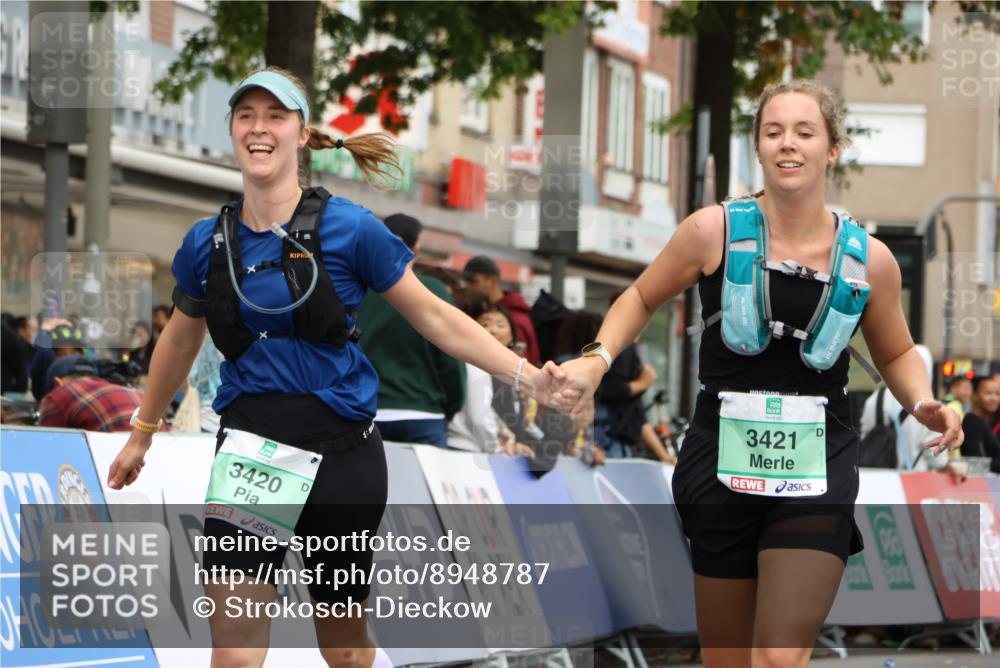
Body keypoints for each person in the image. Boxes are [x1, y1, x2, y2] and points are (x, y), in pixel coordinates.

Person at [106, 66, 566, 668]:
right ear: (233, 131)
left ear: (301, 133)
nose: (259, 128)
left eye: (276, 116)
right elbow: (178, 340)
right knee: (236, 652)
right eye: (246, 116)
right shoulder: (205, 242)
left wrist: (527, 376)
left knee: (344, 650)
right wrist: (142, 431)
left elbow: (435, 317)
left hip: (344, 456)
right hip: (250, 453)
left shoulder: (350, 228)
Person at [552, 80, 963, 666]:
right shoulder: (710, 231)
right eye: (773, 132)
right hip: (720, 458)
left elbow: (895, 353)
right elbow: (640, 298)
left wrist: (922, 401)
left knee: (776, 656)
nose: (788, 145)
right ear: (758, 147)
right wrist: (596, 360)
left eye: (804, 132)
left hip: (817, 464)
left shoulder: (871, 259)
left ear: (832, 149)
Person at [358, 213, 465, 447]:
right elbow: (452, 358)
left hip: (367, 411)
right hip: (424, 414)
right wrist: (449, 406)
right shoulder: (435, 291)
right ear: (416, 248)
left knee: (370, 484)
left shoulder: (359, 291)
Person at [38, 355, 155, 432]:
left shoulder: (57, 397)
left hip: (121, 462)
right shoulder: (130, 392)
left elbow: (47, 447)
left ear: (57, 383)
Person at [463, 255, 541, 365]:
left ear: (493, 281)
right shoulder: (488, 309)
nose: (468, 286)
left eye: (473, 281)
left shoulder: (514, 317)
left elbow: (522, 367)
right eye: (485, 325)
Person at [960, 376, 1000, 473]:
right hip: (982, 484)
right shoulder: (972, 421)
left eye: (997, 394)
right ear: (975, 395)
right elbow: (977, 463)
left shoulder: (987, 421)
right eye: (988, 393)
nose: (994, 398)